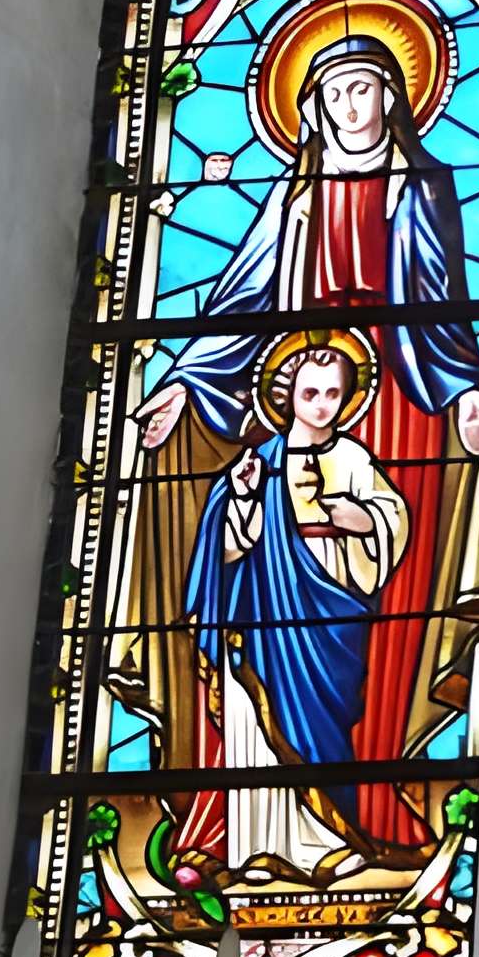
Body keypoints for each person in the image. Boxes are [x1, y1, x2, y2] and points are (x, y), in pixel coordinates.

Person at [130, 21, 479, 850]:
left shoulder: (423, 185)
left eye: (364, 88)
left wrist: (468, 390)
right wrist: (183, 382)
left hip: (397, 394)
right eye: (334, 92)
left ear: (394, 97)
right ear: (313, 107)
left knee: (384, 604)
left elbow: (445, 307)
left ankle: (371, 794)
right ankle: (256, 818)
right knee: (264, 591)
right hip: (294, 386)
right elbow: (241, 300)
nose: (350, 104)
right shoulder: (292, 196)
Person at [182, 338, 409, 879]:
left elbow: (390, 520)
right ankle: (261, 849)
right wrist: (240, 498)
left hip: (333, 599)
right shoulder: (259, 462)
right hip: (265, 606)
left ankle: (335, 838)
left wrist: (360, 518)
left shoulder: (353, 458)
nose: (323, 403)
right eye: (311, 391)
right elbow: (232, 549)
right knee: (257, 719)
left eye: (334, 393)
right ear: (287, 395)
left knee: (325, 723)